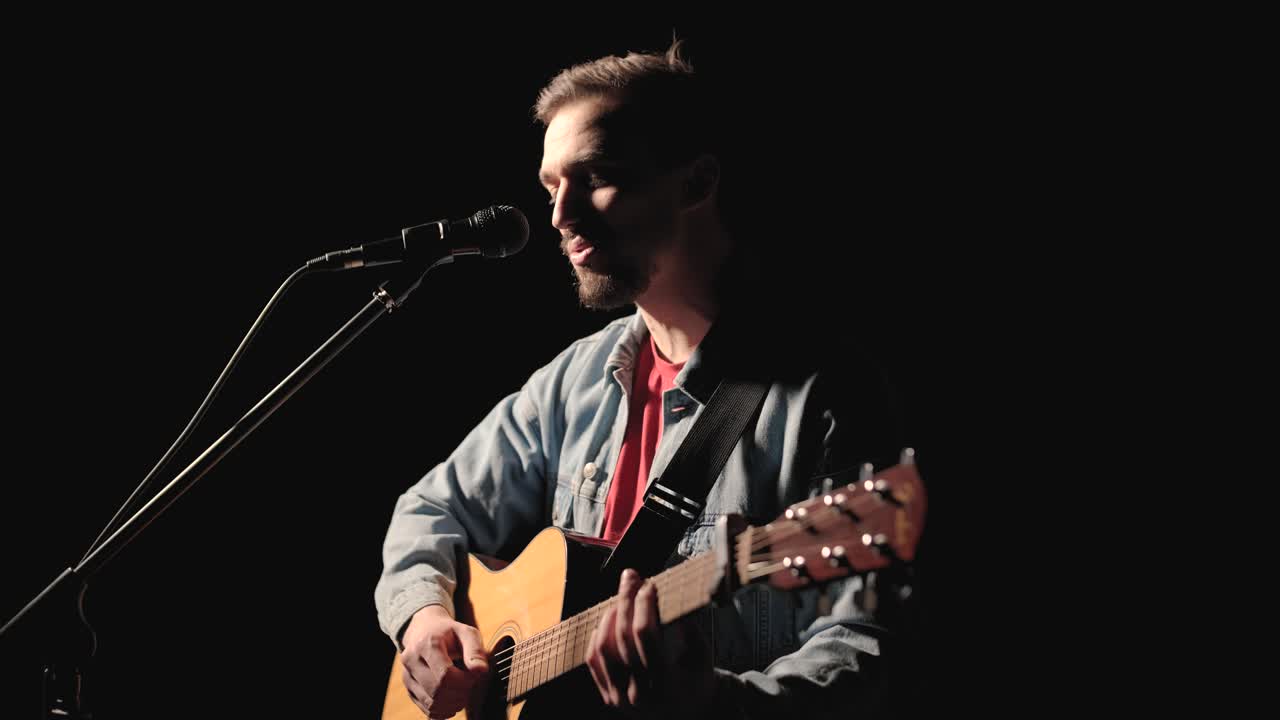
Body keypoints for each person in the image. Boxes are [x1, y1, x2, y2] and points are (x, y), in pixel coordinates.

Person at [374, 37, 917, 719]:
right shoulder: (572, 384)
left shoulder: (828, 396)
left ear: (695, 183)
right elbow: (427, 510)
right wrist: (423, 622)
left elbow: (866, 654)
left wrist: (708, 705)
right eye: (551, 186)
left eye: (598, 176)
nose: (562, 217)